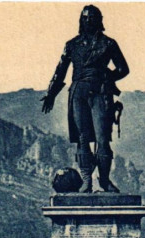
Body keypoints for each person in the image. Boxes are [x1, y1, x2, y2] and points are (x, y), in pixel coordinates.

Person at [41, 5, 129, 193]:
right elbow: (60, 71)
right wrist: (51, 94)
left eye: (92, 17)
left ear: (99, 20)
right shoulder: (71, 45)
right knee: (82, 139)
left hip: (100, 93)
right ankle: (87, 181)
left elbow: (123, 69)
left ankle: (104, 181)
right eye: (85, 18)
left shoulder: (108, 44)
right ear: (81, 20)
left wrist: (106, 76)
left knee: (103, 138)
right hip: (78, 92)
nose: (88, 21)